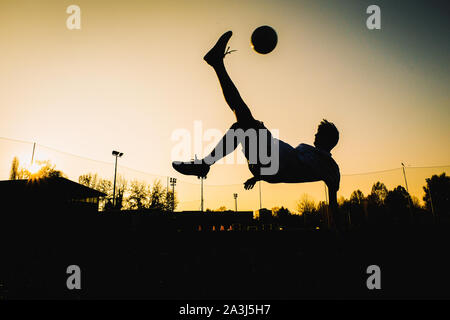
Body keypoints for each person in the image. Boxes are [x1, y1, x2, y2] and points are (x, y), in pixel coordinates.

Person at [172, 31, 341, 226]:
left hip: (272, 161)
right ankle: (217, 63)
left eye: (319, 134)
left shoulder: (331, 168)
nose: (315, 135)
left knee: (243, 119)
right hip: (269, 157)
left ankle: (217, 63)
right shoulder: (313, 155)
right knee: (240, 125)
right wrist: (258, 177)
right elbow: (291, 172)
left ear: (329, 139)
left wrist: (336, 232)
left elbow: (332, 201)